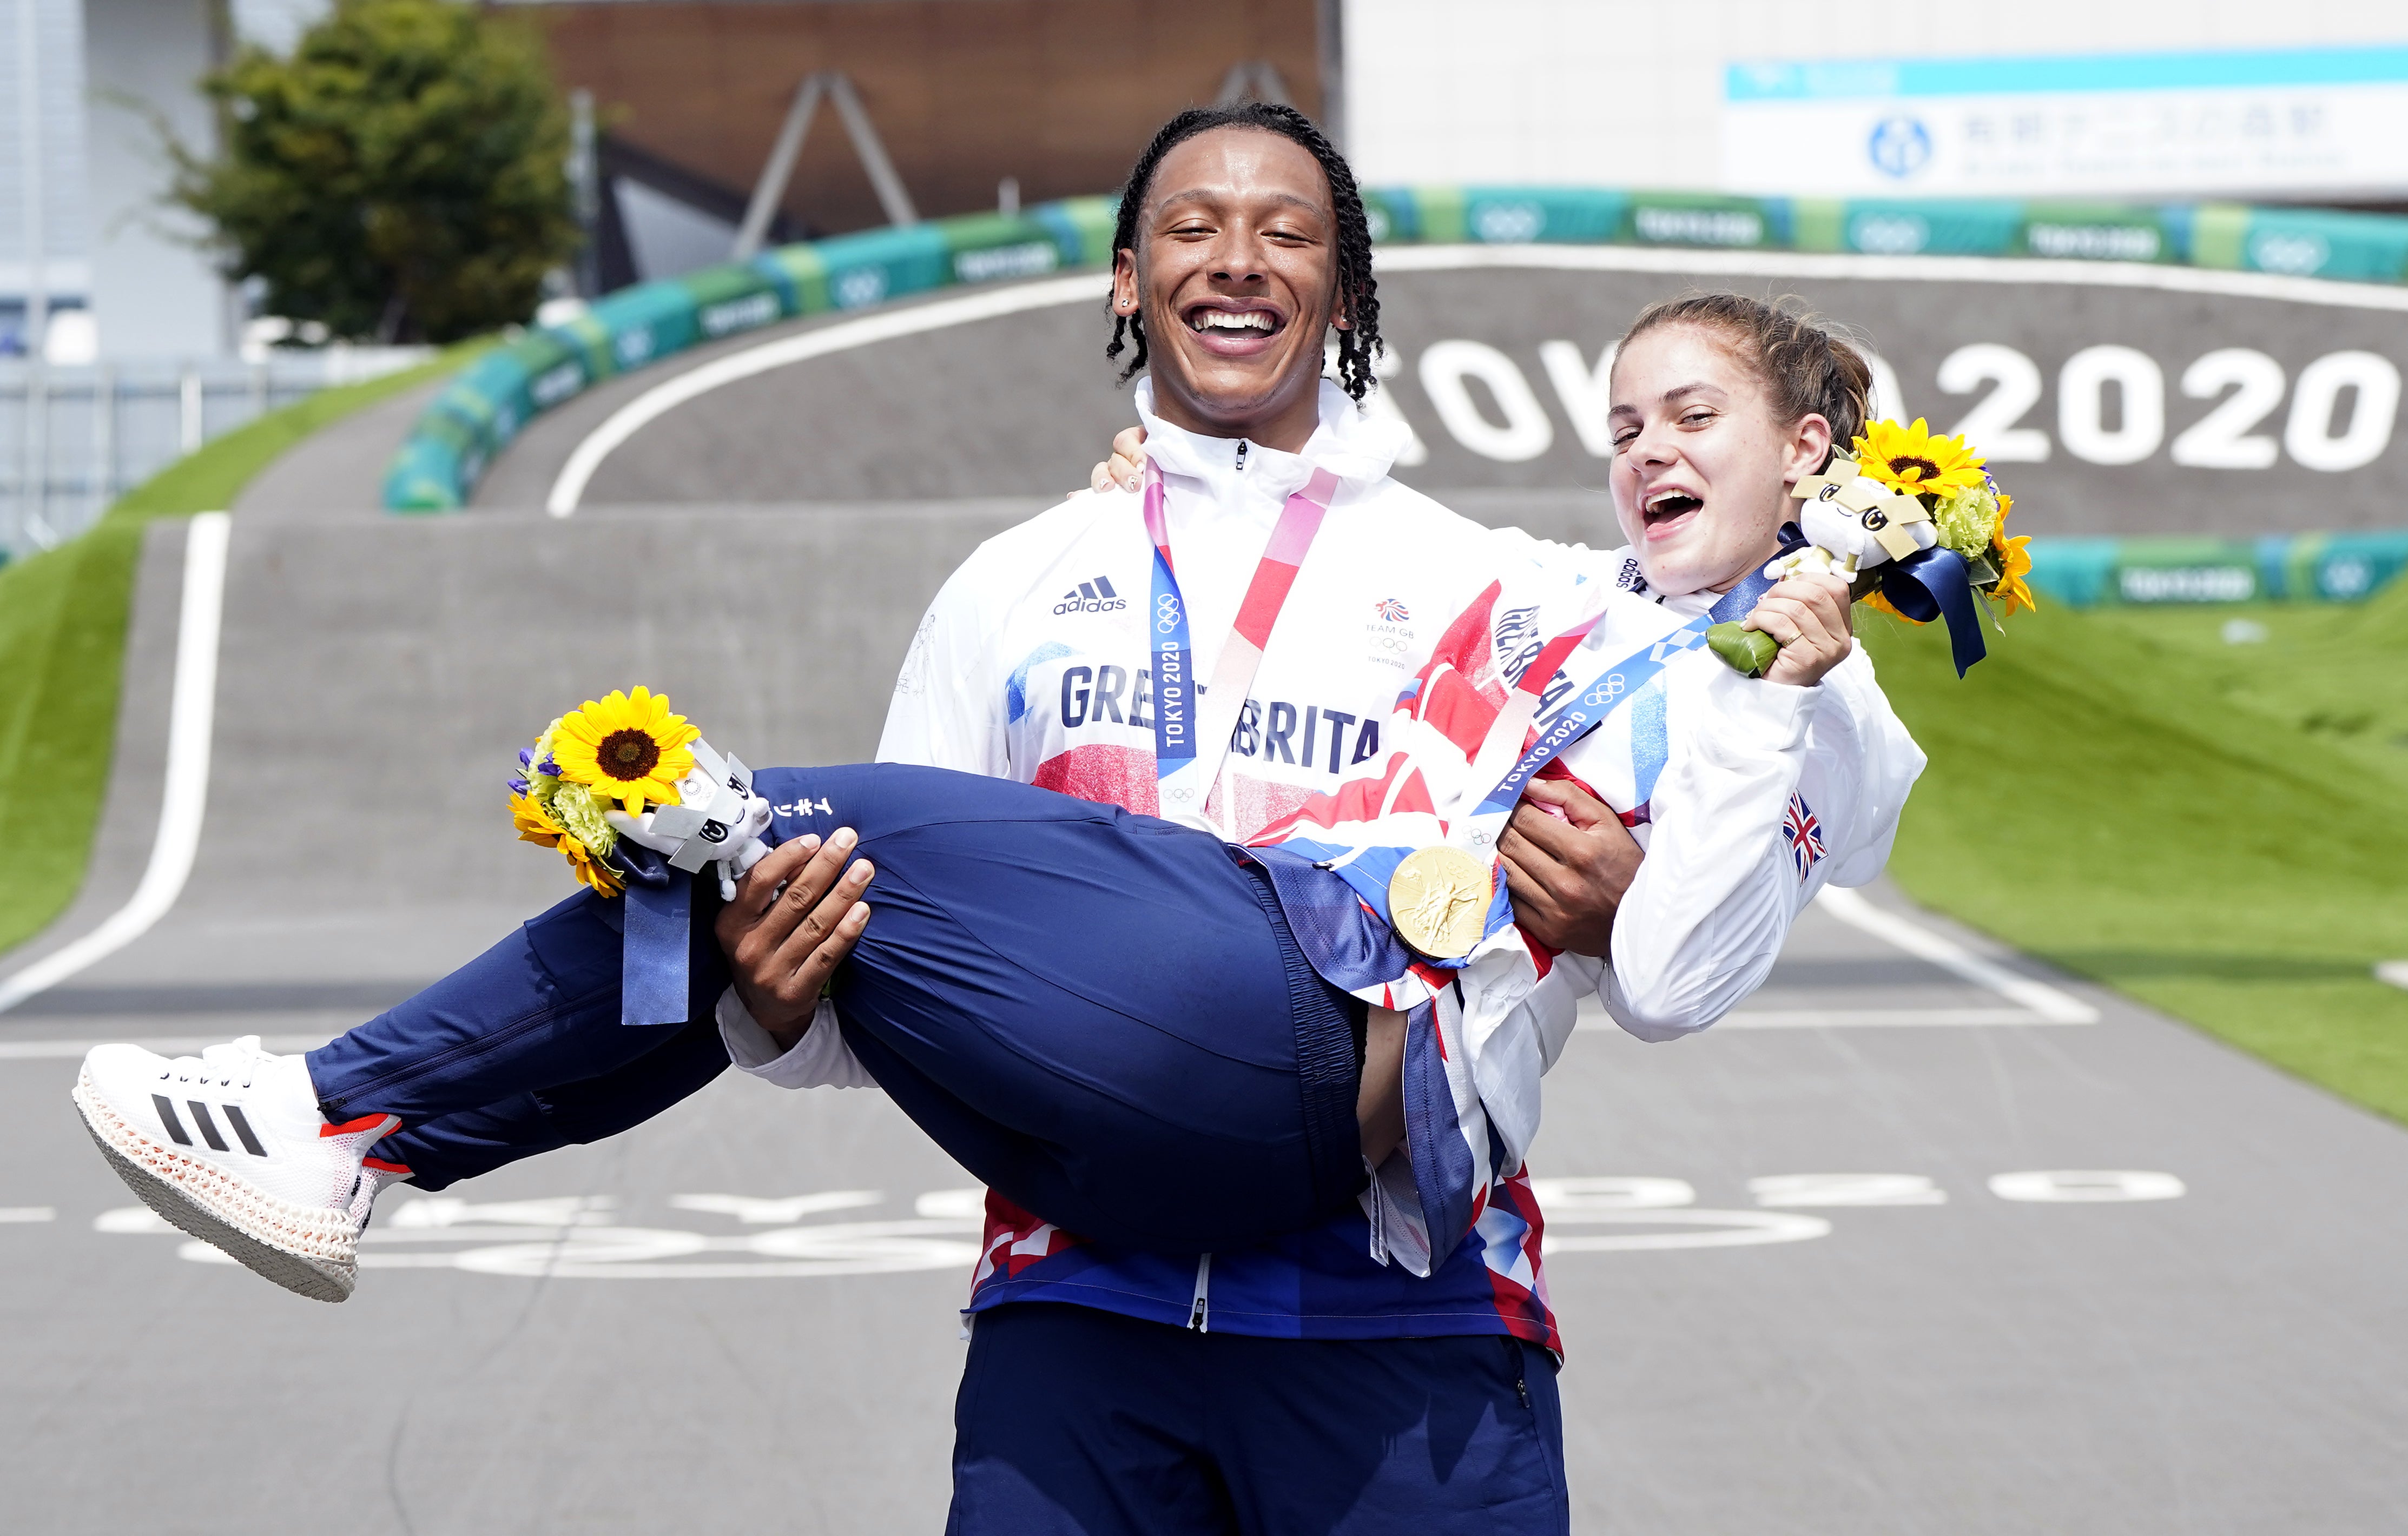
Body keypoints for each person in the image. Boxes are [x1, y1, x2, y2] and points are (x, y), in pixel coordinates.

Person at [73, 104, 1914, 1533]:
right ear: (1124, 282)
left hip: (1400, 1314)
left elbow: (1709, 691)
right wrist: (770, 1006)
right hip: (1075, 1308)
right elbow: (860, 1019)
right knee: (769, 866)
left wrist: (1834, 602)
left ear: (1347, 300)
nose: (1237, 259)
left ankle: (351, 1124)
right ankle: (346, 1141)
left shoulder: (1494, 583)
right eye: (1190, 228)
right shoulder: (1014, 587)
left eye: (1290, 234)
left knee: (788, 814)